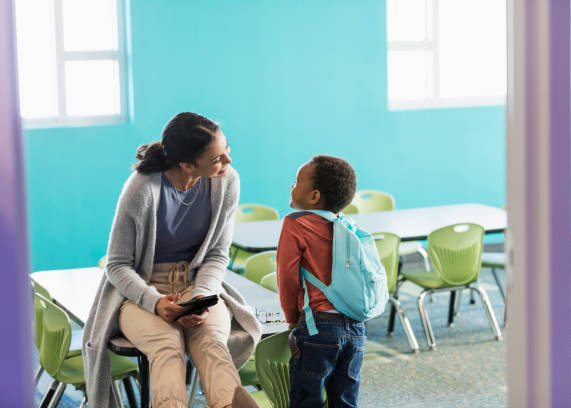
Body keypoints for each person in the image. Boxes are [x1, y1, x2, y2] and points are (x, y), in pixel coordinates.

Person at [82, 112, 262, 408]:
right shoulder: (141, 187)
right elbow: (117, 265)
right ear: (187, 164)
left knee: (212, 344)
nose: (228, 163)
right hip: (140, 291)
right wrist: (155, 302)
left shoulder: (227, 182)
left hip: (196, 284)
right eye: (218, 158)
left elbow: (217, 254)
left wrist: (202, 296)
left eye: (226, 151)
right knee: (168, 347)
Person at [276, 155, 363, 408]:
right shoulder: (348, 225)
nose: (292, 186)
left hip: (317, 328)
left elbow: (287, 278)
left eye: (297, 181)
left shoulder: (295, 224)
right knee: (345, 401)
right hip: (356, 329)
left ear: (314, 196)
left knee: (307, 400)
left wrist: (292, 319)